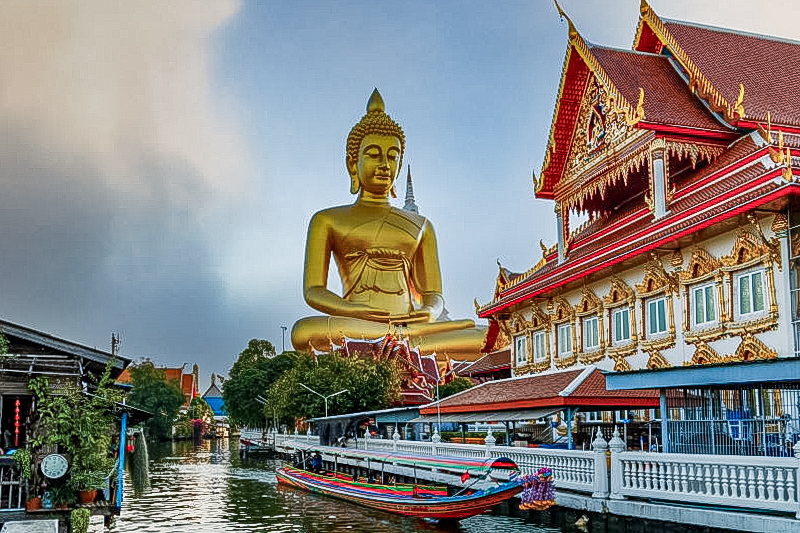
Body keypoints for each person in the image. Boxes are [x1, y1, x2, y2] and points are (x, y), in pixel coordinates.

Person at [290, 89, 485, 358]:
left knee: (483, 335)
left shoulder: (422, 225)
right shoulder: (327, 220)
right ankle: (400, 343)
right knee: (303, 332)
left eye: (392, 156)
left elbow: (434, 294)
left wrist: (429, 311)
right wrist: (352, 310)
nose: (384, 164)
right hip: (359, 323)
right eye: (373, 154)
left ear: (399, 163)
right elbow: (314, 291)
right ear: (352, 164)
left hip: (409, 325)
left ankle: (397, 341)